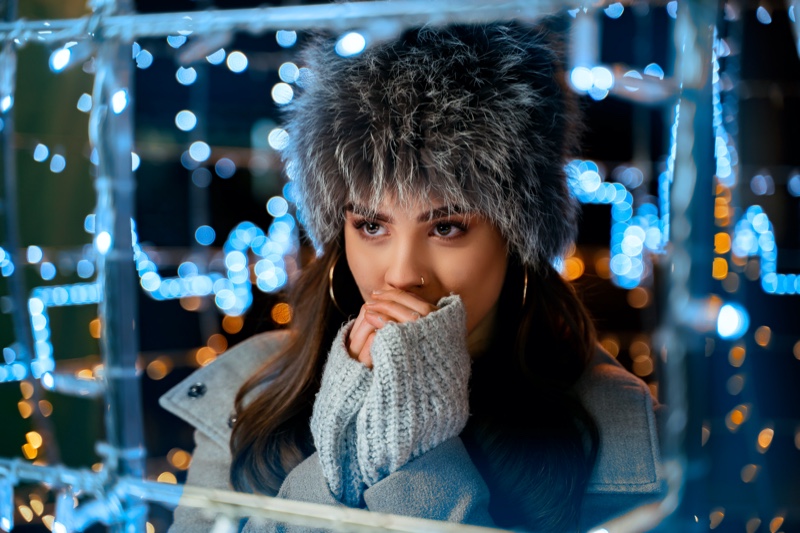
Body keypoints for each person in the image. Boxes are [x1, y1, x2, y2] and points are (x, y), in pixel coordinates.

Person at [160, 19, 665, 533]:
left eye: (446, 227)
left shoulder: (613, 420)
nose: (401, 274)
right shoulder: (248, 388)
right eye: (372, 225)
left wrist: (416, 455)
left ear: (516, 238)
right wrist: (346, 444)